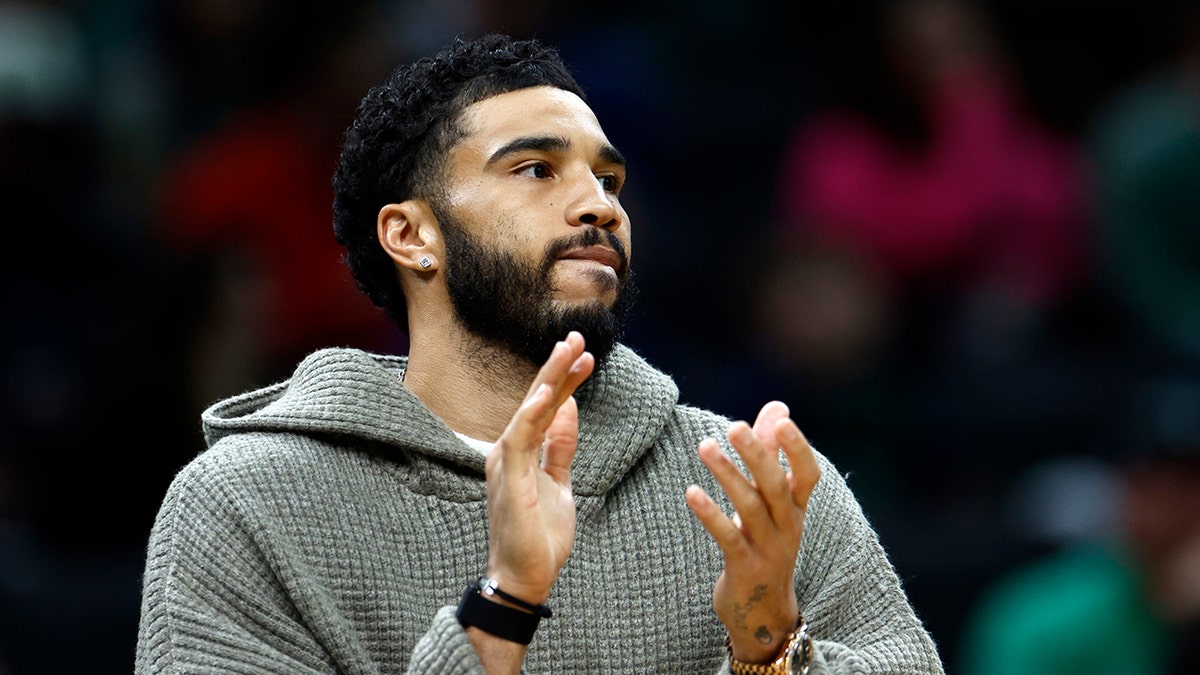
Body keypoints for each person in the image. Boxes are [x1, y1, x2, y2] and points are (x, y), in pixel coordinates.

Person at [135, 33, 943, 674]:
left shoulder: (747, 482)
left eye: (610, 181)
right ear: (411, 235)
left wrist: (768, 648)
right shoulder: (246, 507)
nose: (598, 204)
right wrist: (504, 601)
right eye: (535, 168)